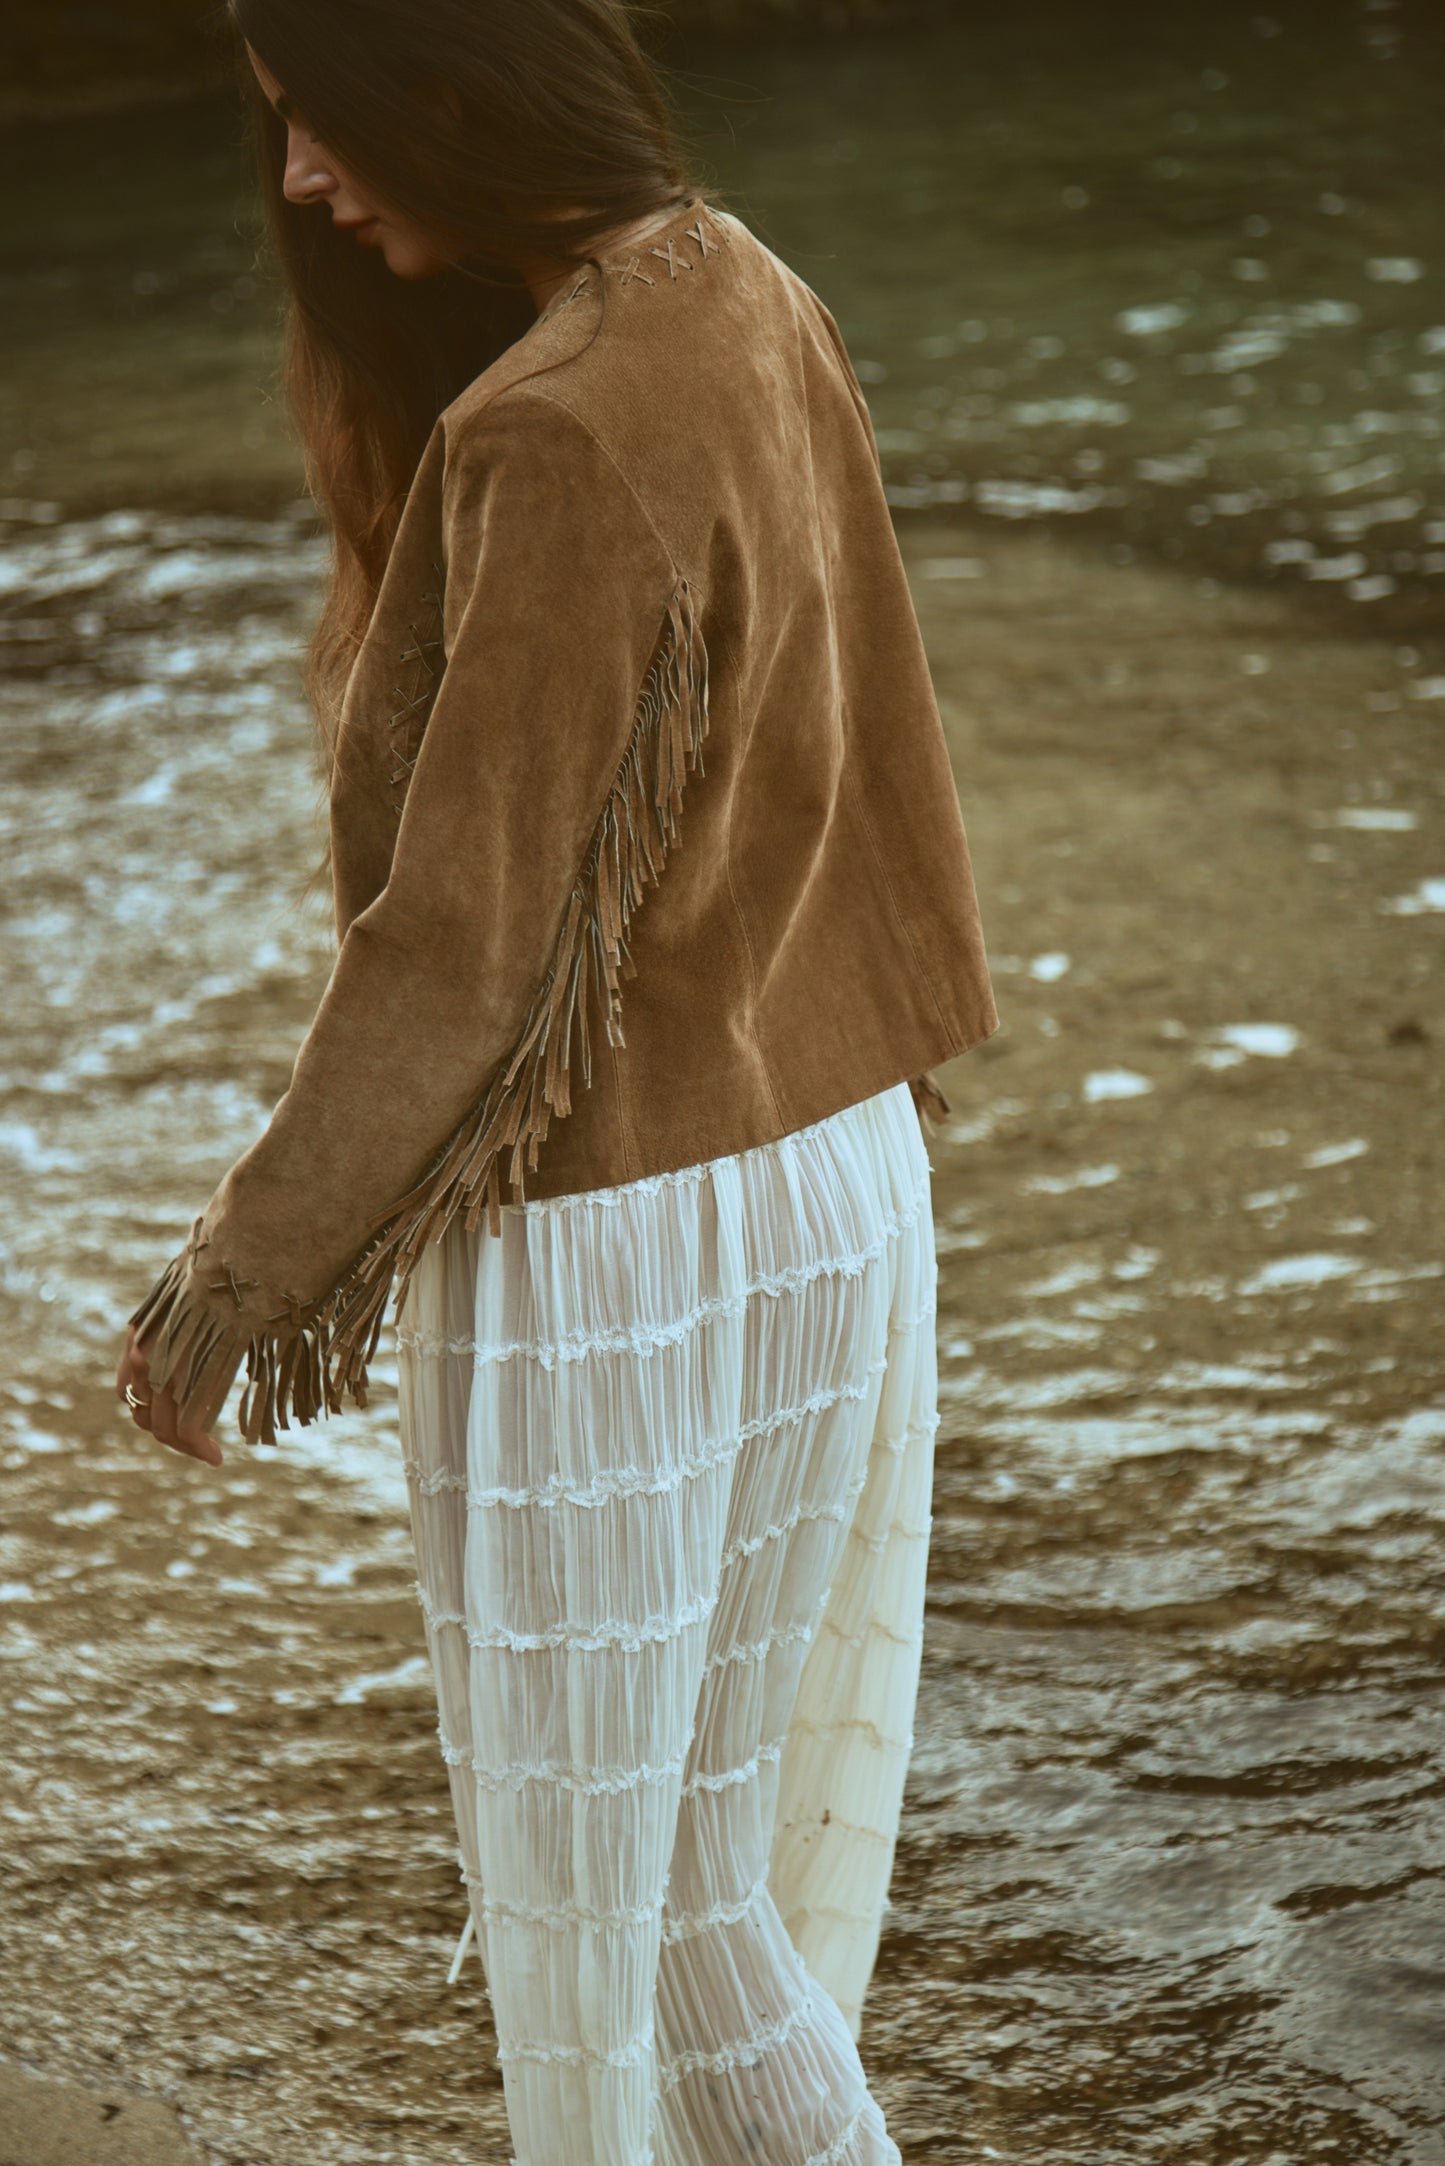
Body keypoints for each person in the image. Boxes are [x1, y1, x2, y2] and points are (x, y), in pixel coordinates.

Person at [115, 2, 996, 2158]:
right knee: (717, 1870)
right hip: (834, 1178)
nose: (307, 186)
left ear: (454, 90)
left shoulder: (554, 428)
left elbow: (469, 937)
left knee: (660, 1917)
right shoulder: (747, 286)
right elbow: (873, 747)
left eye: (326, 130)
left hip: (636, 1237)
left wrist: (242, 1272)